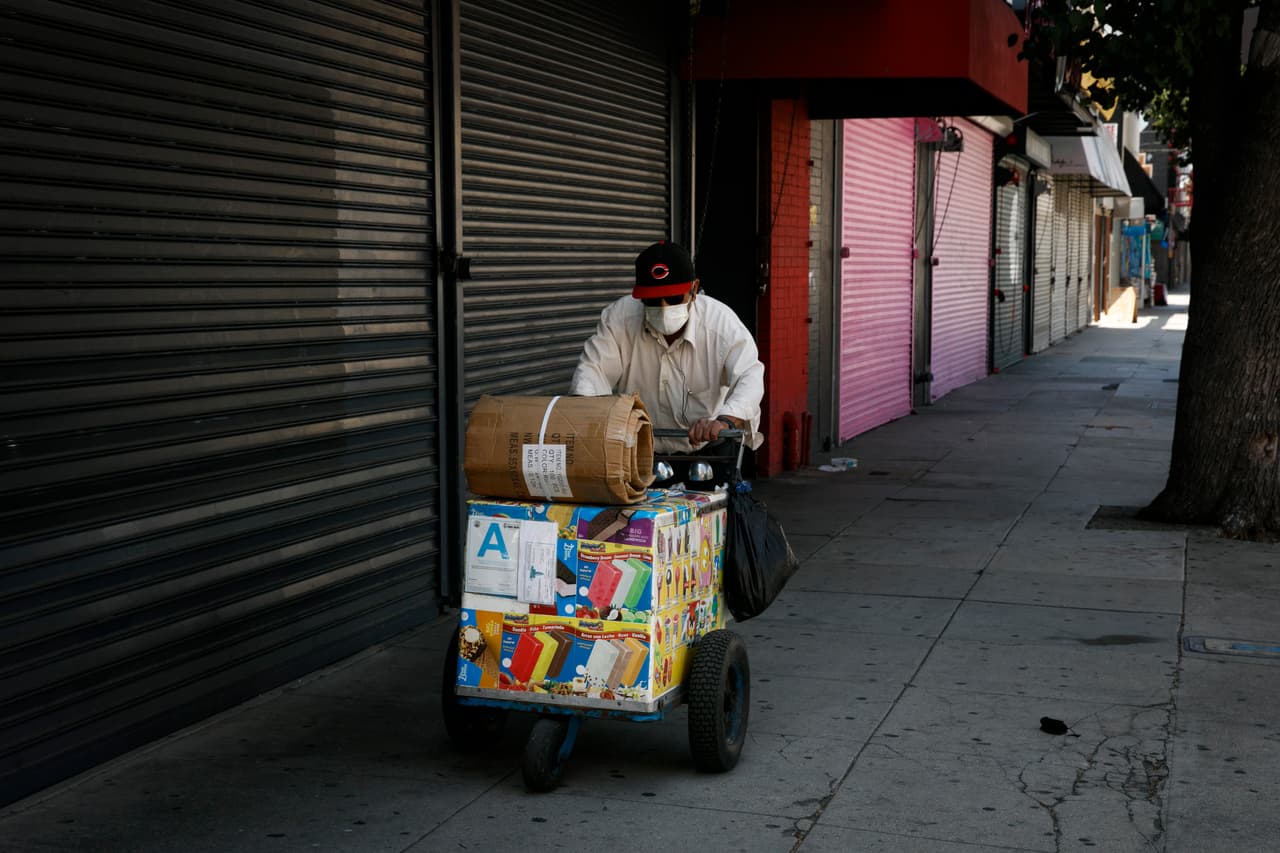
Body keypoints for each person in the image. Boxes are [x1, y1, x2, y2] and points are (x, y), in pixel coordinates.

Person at [569, 240, 764, 477]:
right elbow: (593, 370)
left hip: (708, 454)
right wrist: (585, 415)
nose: (663, 308)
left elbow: (750, 375)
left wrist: (724, 421)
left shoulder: (720, 324)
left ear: (694, 290)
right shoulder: (619, 318)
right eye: (652, 301)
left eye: (672, 299)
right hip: (639, 454)